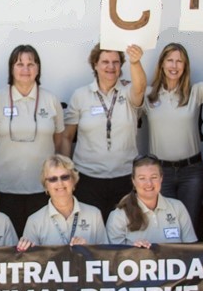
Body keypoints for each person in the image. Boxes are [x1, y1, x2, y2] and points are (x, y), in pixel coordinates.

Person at [145, 23, 203, 230]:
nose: (174, 66)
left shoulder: (194, 92)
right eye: (170, 60)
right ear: (162, 64)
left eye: (179, 62)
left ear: (185, 66)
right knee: (164, 226)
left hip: (191, 173)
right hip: (160, 172)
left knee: (189, 225)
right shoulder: (149, 95)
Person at [60, 44, 147, 221]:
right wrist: (66, 173)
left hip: (124, 177)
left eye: (116, 62)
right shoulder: (80, 95)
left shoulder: (128, 91)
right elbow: (67, 137)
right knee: (91, 233)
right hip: (88, 178)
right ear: (95, 65)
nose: (111, 66)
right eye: (105, 62)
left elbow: (140, 89)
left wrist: (136, 62)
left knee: (124, 230)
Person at [0, 45, 64, 232]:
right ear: (11, 68)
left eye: (31, 64)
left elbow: (58, 141)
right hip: (5, 187)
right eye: (19, 64)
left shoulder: (51, 100)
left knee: (38, 243)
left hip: (42, 188)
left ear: (38, 68)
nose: (25, 69)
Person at [17, 155, 109, 250]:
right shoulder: (34, 221)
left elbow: (107, 257)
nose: (60, 183)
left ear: (73, 181)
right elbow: (29, 260)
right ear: (46, 186)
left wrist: (88, 249)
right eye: (53, 179)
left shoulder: (94, 214)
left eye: (65, 177)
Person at [106, 155, 196, 247]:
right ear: (133, 181)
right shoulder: (118, 216)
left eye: (154, 177)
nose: (149, 183)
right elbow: (114, 257)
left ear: (161, 178)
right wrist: (133, 250)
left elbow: (192, 251)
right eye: (142, 178)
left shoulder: (178, 207)